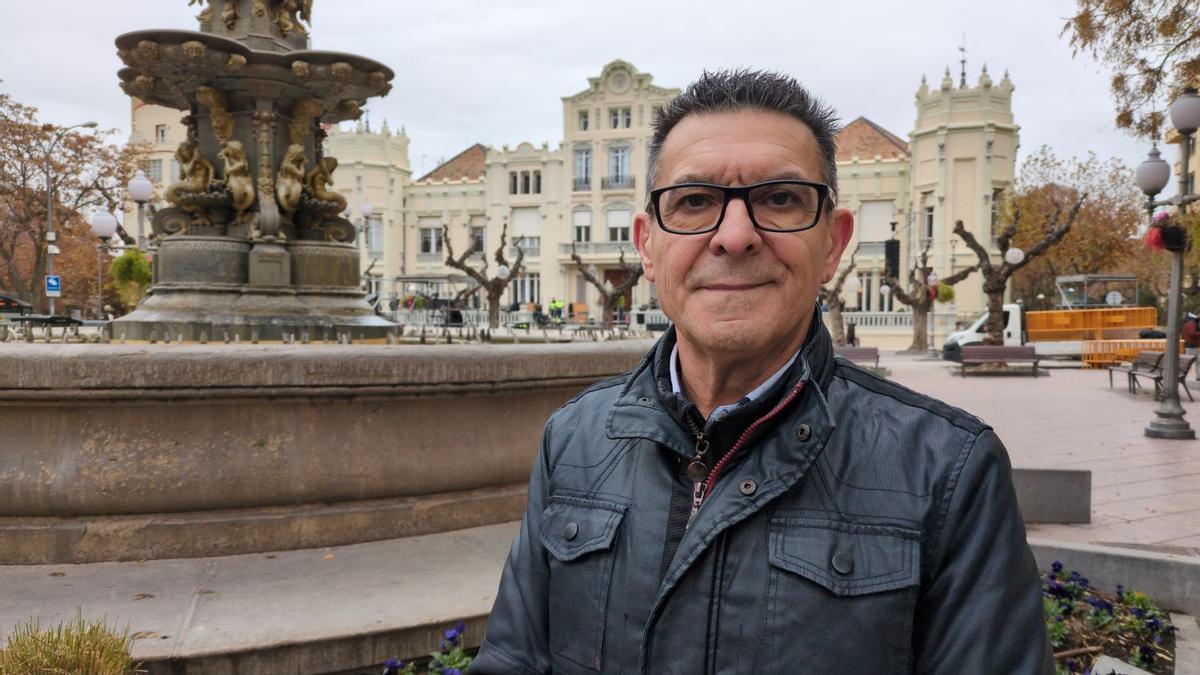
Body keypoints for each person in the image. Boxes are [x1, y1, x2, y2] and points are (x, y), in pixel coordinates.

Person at [471, 69, 1053, 674]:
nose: (735, 236)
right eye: (694, 202)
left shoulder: (947, 469)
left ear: (833, 244)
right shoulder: (574, 439)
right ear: (646, 245)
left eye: (779, 199)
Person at [1184, 311, 1199, 382]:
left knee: (1196, 362)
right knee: (1192, 362)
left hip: (1192, 345)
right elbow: (1192, 333)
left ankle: (1198, 376)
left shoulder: (1190, 322)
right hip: (1192, 345)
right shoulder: (1192, 323)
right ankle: (1184, 375)